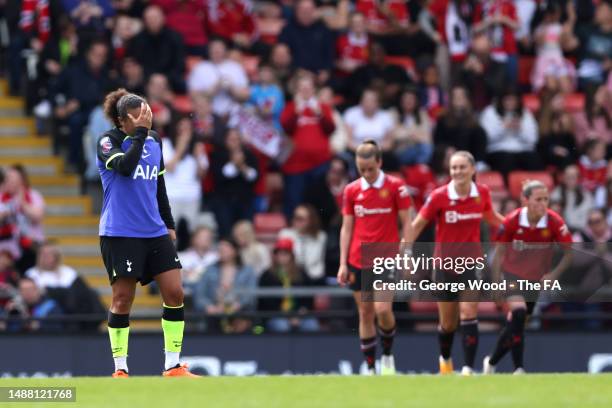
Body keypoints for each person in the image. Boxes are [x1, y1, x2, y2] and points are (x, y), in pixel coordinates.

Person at [97, 89, 198, 377]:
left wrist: (169, 224)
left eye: (147, 113)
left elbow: (159, 185)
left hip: (154, 231)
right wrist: (140, 135)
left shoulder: (155, 141)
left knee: (175, 292)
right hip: (120, 231)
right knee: (123, 299)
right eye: (139, 116)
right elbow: (126, 168)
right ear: (121, 121)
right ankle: (120, 369)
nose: (146, 120)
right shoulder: (108, 141)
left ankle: (173, 365)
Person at [404, 150, 503, 375]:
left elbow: (492, 218)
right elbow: (417, 225)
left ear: (473, 169)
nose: (457, 172)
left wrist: (516, 227)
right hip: (444, 267)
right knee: (448, 323)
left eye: (462, 167)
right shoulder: (439, 196)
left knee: (468, 313)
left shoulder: (482, 193)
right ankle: (446, 361)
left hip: (472, 264)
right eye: (453, 168)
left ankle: (468, 368)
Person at [336, 141, 412, 375]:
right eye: (362, 170)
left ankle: (387, 355)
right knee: (365, 312)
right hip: (358, 259)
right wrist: (342, 263)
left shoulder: (396, 187)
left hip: (386, 257)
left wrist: (406, 252)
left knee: (382, 309)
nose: (367, 174)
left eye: (370, 168)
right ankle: (370, 368)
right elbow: (346, 228)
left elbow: (407, 223)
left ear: (379, 162)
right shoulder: (351, 191)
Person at [484, 180, 572, 374]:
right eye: (538, 199)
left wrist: (553, 274)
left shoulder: (554, 221)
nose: (543, 204)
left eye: (546, 199)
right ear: (525, 200)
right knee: (518, 312)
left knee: (515, 325)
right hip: (511, 275)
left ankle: (491, 362)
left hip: (534, 281)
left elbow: (569, 253)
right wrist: (496, 284)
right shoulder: (511, 221)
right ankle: (519, 369)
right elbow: (498, 255)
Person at [194, 238, 257, 333]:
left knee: (244, 321)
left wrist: (237, 305)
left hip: (240, 313)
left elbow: (251, 294)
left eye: (225, 248)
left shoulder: (247, 271)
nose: (221, 251)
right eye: (220, 249)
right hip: (214, 314)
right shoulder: (209, 270)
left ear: (235, 251)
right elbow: (199, 294)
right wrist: (209, 307)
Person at [258, 238, 319, 332]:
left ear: (291, 255)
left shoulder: (301, 273)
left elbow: (309, 298)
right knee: (282, 326)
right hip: (275, 315)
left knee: (312, 325)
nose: (282, 257)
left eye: (285, 254)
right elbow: (266, 302)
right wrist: (287, 317)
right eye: (279, 254)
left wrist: (300, 313)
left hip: (300, 315)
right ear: (275, 256)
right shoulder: (267, 275)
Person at [279, 204, 327, 284]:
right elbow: (286, 260)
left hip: (314, 278)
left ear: (311, 220)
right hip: (293, 277)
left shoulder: (321, 236)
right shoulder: (285, 234)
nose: (296, 221)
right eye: (295, 217)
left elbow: (313, 260)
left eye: (300, 218)